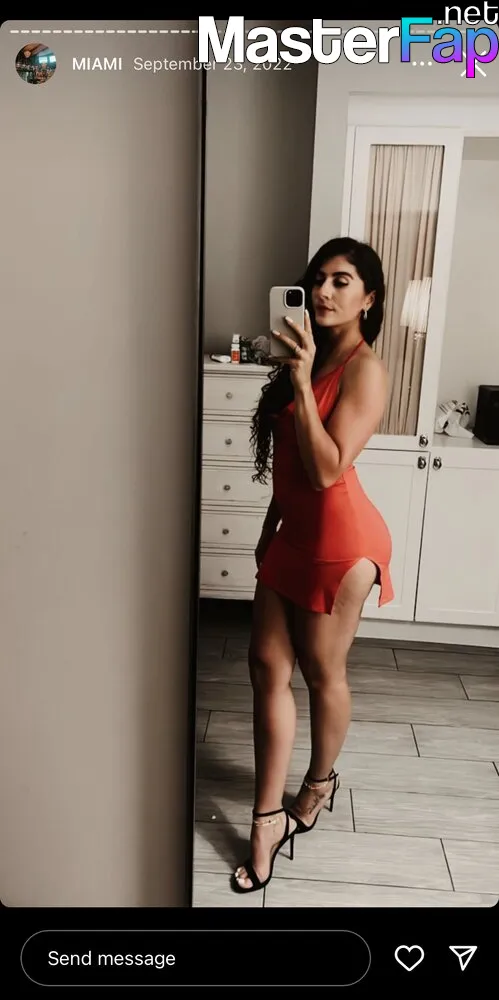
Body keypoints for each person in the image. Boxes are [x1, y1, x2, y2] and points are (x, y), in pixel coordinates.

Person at [232, 236, 394, 894]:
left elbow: (327, 469)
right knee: (265, 667)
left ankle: (318, 784)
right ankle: (266, 817)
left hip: (340, 544)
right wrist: (269, 526)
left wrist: (300, 380)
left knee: (323, 673)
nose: (324, 291)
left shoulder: (364, 369)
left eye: (341, 281)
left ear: (368, 298)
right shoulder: (310, 351)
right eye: (318, 279)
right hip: (293, 535)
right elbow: (291, 465)